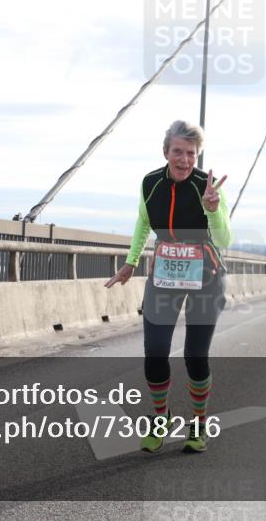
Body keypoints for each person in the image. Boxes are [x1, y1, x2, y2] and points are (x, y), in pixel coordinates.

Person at [104, 120, 230, 454]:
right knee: (156, 352)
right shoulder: (150, 183)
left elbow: (224, 239)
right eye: (178, 152)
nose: (185, 159)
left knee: (194, 355)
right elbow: (144, 222)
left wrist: (213, 209)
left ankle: (199, 423)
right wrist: (131, 262)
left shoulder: (209, 186)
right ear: (166, 152)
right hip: (165, 274)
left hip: (206, 276)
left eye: (191, 153)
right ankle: (161, 418)